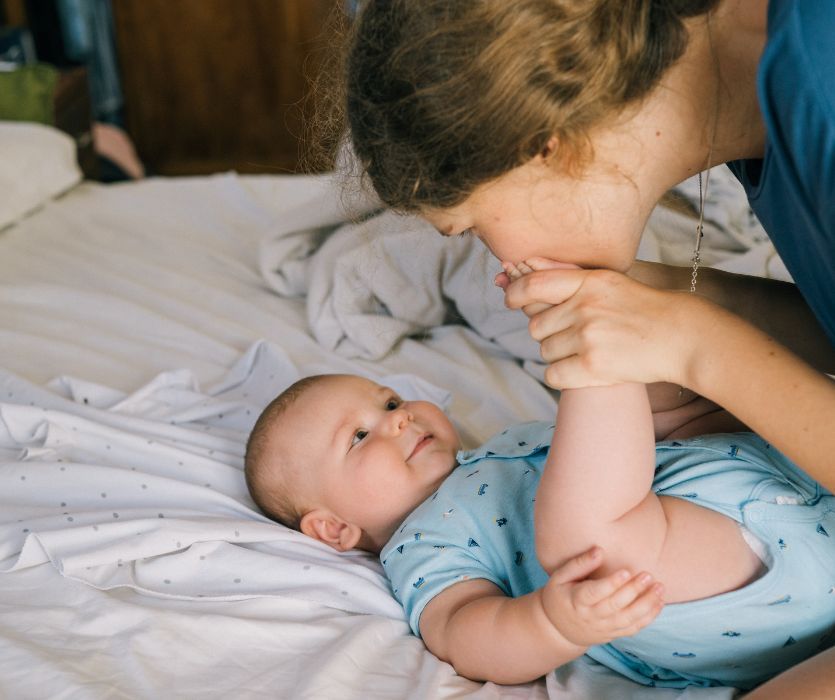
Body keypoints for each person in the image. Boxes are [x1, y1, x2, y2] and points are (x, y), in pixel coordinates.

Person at [337, 5, 835, 690]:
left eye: (474, 227)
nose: (497, 257)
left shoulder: (818, 90)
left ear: (543, 144)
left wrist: (696, 344)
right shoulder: (773, 111)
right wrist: (675, 306)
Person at [243, 327, 835, 689]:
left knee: (662, 404)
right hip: (737, 583)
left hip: (780, 472)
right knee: (595, 546)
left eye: (391, 400)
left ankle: (634, 343)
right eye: (360, 437)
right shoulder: (420, 547)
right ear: (334, 528)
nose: (398, 417)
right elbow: (464, 634)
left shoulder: (502, 443)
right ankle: (603, 352)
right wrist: (555, 623)